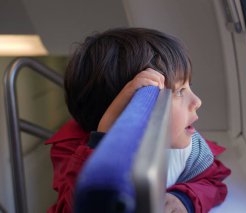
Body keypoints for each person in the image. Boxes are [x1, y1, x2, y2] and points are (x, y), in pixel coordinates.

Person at [45, 28, 231, 213]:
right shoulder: (71, 154)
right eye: (179, 91)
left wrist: (185, 198)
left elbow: (213, 180)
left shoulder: (192, 151)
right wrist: (106, 139)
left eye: (188, 86)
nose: (197, 102)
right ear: (131, 109)